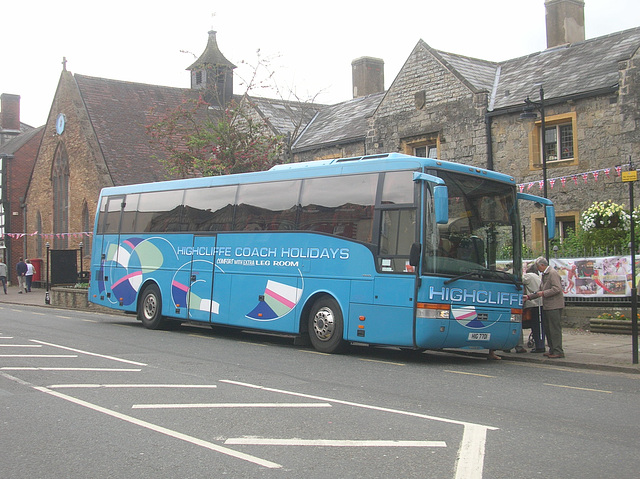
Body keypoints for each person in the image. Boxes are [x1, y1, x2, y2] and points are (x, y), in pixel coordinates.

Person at [525, 256, 565, 358]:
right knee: (548, 328)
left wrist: (543, 293)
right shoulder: (545, 274)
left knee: (554, 329)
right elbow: (539, 290)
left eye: (538, 266)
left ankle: (558, 351)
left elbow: (557, 289)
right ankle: (552, 349)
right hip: (548, 305)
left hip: (554, 305)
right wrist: (529, 297)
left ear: (542, 265)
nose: (537, 269)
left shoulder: (552, 273)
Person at [522, 263, 545, 353]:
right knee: (540, 326)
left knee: (535, 326)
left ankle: (539, 346)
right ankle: (540, 344)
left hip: (532, 304)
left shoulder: (529, 276)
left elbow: (519, 279)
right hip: (540, 303)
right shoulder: (537, 276)